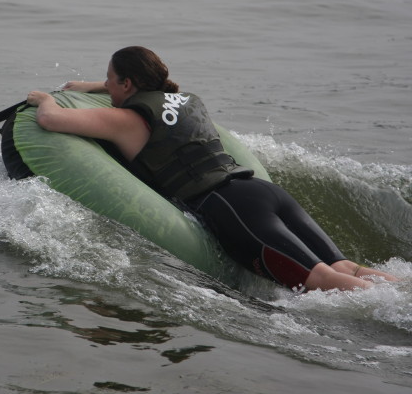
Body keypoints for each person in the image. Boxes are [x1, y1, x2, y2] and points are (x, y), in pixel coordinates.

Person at [26, 46, 398, 292]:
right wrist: (97, 84)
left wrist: (44, 97)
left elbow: (51, 120)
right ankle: (401, 290)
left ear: (127, 84)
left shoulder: (123, 120)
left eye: (110, 78)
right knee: (346, 266)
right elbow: (150, 93)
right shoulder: (186, 98)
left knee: (321, 279)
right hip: (262, 192)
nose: (105, 84)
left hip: (229, 205)